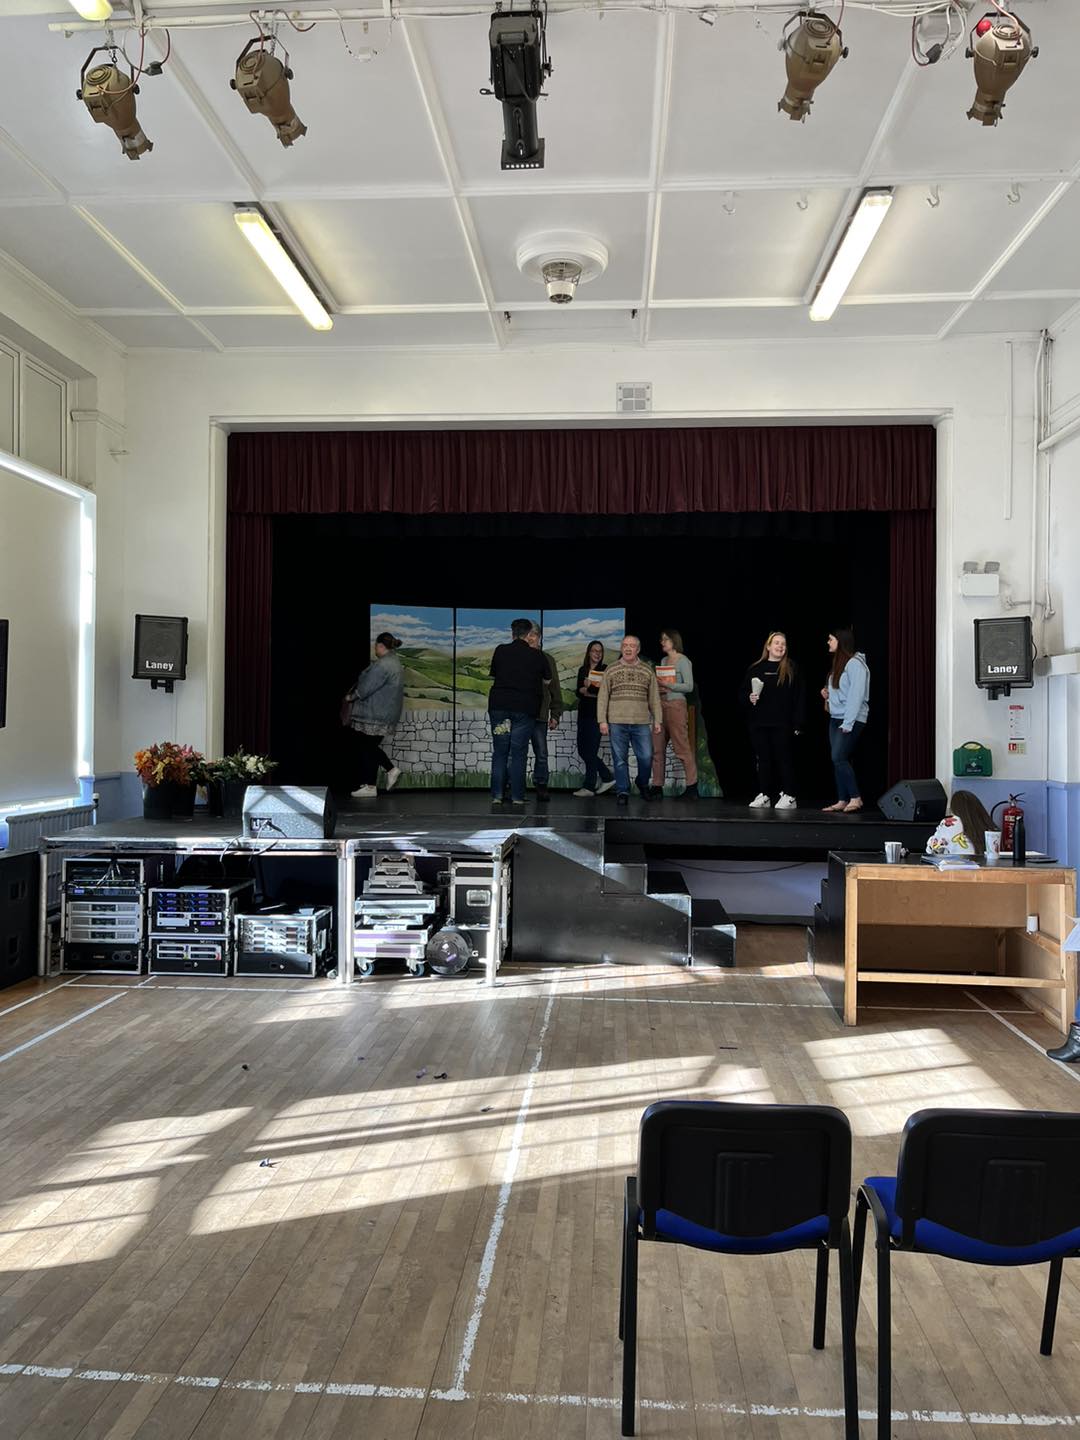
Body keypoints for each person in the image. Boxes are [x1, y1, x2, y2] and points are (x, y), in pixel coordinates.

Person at [740, 630, 804, 810]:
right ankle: (765, 795)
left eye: (783, 644)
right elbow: (743, 694)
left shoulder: (791, 668)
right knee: (763, 760)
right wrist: (749, 698)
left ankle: (790, 796)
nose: (780, 646)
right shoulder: (755, 668)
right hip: (759, 723)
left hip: (783, 723)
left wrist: (798, 722)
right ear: (768, 646)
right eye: (776, 643)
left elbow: (799, 696)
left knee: (784, 759)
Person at [597, 635, 663, 807]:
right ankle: (623, 791)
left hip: (641, 722)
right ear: (621, 648)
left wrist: (658, 720)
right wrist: (602, 721)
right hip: (617, 721)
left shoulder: (647, 670)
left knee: (646, 757)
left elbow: (654, 698)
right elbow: (603, 697)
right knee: (620, 759)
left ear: (638, 650)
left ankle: (642, 783)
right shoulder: (611, 669)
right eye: (625, 645)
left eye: (632, 646)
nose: (627, 648)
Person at [488, 617, 547, 807]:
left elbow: (494, 675)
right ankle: (517, 796)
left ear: (512, 634)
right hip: (524, 709)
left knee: (500, 751)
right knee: (518, 752)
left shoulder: (500, 650)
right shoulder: (537, 655)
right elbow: (547, 680)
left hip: (499, 708)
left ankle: (497, 795)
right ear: (529, 635)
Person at [345, 632, 405, 799]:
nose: (374, 649)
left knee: (367, 747)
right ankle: (370, 785)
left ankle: (390, 770)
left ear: (380, 646)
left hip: (375, 713)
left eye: (375, 646)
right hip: (385, 713)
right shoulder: (395, 663)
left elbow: (365, 688)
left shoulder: (383, 665)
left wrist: (351, 697)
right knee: (368, 747)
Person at [821, 626, 870, 814]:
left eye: (830, 639)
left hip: (851, 719)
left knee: (839, 757)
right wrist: (827, 693)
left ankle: (855, 797)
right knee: (837, 760)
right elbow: (842, 691)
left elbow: (856, 696)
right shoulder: (839, 664)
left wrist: (848, 723)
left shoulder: (855, 664)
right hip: (836, 717)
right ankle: (842, 799)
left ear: (840, 641)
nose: (828, 642)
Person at [650, 629, 699, 799]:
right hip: (661, 705)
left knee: (681, 747)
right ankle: (657, 786)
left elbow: (689, 686)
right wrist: (659, 686)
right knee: (657, 747)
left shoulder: (683, 661)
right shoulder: (664, 661)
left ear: (674, 641)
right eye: (661, 639)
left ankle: (692, 786)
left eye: (665, 639)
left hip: (676, 705)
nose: (662, 642)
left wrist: (669, 685)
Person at [522, 625, 564, 801]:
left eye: (535, 634)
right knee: (517, 752)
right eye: (528, 634)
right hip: (520, 714)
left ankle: (541, 785)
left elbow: (555, 688)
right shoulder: (518, 657)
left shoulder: (547, 659)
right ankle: (514, 786)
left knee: (541, 753)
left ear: (540, 637)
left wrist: (555, 714)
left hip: (539, 715)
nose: (531, 638)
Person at [573, 641, 615, 797]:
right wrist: (587, 690)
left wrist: (589, 688)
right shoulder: (582, 669)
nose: (597, 654)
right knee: (583, 750)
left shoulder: (605, 669)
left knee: (590, 751)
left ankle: (589, 787)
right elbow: (578, 691)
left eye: (600, 651)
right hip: (583, 713)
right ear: (589, 652)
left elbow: (604, 692)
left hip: (597, 715)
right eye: (594, 651)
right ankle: (607, 777)